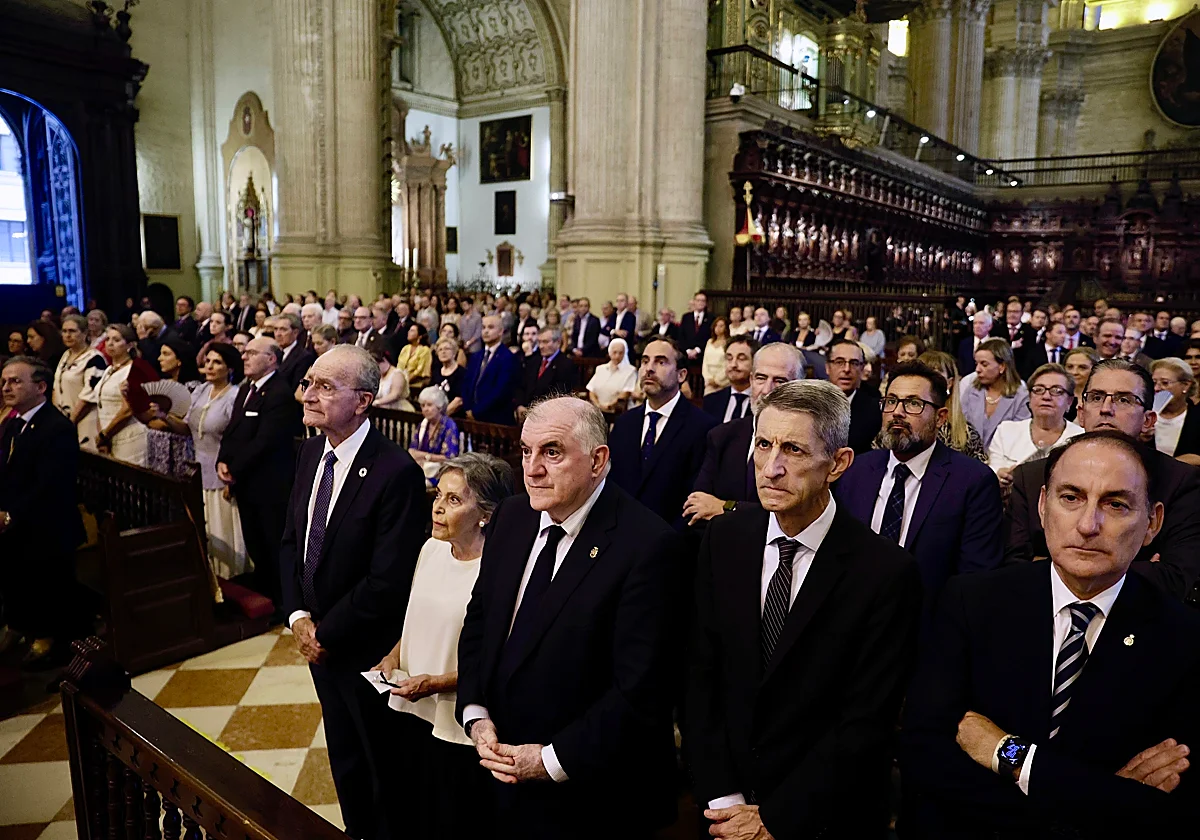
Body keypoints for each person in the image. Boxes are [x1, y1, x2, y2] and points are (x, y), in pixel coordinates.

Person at [902, 431, 1200, 837]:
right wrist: (1104, 798)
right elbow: (924, 755)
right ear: (1043, 506)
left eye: (1115, 504)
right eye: (1071, 497)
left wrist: (1013, 756)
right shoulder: (971, 601)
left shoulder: (1183, 638)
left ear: (1153, 523)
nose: (1088, 524)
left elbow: (1171, 808)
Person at [688, 380, 922, 839]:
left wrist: (774, 819)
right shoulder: (724, 539)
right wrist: (724, 801)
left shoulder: (886, 572)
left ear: (838, 464)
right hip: (724, 812)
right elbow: (700, 678)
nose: (772, 468)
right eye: (763, 444)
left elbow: (864, 721)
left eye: (793, 450)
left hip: (823, 819)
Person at [456, 397, 682, 839]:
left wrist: (548, 760)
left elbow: (640, 690)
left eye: (552, 452)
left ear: (598, 460)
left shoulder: (649, 545)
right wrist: (476, 711)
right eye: (525, 451)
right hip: (500, 769)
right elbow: (480, 620)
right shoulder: (513, 515)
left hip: (591, 793)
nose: (532, 469)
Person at [280, 345, 427, 840]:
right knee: (343, 754)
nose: (310, 395)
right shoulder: (307, 453)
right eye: (309, 383)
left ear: (363, 401)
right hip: (318, 641)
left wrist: (326, 631)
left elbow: (387, 578)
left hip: (364, 646)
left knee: (380, 763)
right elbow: (292, 542)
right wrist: (299, 617)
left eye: (326, 386)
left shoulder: (394, 470)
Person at [372, 453, 514, 839]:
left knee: (449, 819)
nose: (437, 506)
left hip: (452, 719)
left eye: (454, 500)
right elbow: (416, 618)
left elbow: (494, 660)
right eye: (438, 494)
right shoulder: (430, 549)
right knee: (409, 807)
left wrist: (435, 683)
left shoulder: (498, 571)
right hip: (408, 705)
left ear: (485, 513)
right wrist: (393, 655)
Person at [1005, 359, 1200, 602]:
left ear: (1149, 419)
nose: (1106, 408)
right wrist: (1134, 567)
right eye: (1096, 397)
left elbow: (1176, 577)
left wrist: (1062, 565)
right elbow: (1013, 568)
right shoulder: (1031, 476)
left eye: (1124, 399)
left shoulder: (1180, 481)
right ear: (1081, 413)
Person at [836, 362, 1004, 612]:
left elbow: (975, 579)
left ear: (940, 417)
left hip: (929, 625)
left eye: (913, 404)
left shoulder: (972, 481)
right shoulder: (855, 471)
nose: (897, 413)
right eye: (891, 401)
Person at [136, 344, 250, 582]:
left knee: (224, 528)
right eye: (207, 361)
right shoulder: (200, 391)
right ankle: (208, 578)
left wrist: (234, 475)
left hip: (223, 470)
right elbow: (187, 429)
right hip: (197, 468)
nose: (209, 366)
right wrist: (164, 416)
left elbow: (239, 440)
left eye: (216, 362)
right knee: (203, 527)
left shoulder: (235, 395)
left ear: (229, 368)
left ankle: (231, 580)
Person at [0, 356, 86, 666]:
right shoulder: (13, 423)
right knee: (11, 571)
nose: (6, 387)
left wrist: (11, 514)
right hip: (19, 518)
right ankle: (18, 624)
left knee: (43, 575)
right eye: (4, 381)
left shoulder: (55, 427)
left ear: (40, 387)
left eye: (15, 381)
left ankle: (48, 637)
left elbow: (50, 484)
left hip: (49, 522)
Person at [217, 337, 301, 610]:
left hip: (270, 485)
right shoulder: (246, 389)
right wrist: (223, 460)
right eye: (245, 352)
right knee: (254, 541)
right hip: (247, 482)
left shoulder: (279, 394)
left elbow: (265, 442)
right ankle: (264, 591)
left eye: (252, 353)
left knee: (272, 543)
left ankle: (281, 601)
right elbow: (232, 431)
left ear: (271, 359)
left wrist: (234, 468)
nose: (244, 357)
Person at [687, 342, 805, 525]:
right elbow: (697, 508)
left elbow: (792, 514)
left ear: (799, 387)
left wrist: (726, 507)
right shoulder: (722, 436)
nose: (767, 390)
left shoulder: (808, 445)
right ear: (751, 380)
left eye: (780, 381)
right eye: (760, 378)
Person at [608, 337, 717, 529]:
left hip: (670, 543)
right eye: (645, 361)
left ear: (681, 375)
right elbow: (612, 484)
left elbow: (695, 498)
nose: (649, 368)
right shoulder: (625, 423)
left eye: (661, 362)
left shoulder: (703, 427)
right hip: (619, 537)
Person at [873, 350, 987, 463]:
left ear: (950, 383)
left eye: (914, 403)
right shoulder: (893, 428)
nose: (898, 412)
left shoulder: (967, 434)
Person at [989, 364, 1084, 488]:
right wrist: (999, 476)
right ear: (1029, 397)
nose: (1046, 397)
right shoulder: (1006, 431)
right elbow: (993, 471)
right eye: (1038, 390)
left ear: (1069, 402)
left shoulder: (1081, 438)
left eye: (1056, 391)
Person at [77, 324, 155, 466]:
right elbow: (100, 404)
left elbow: (128, 410)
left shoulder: (135, 369)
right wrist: (102, 435)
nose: (110, 343)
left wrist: (105, 435)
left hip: (130, 437)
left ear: (130, 345)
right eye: (108, 339)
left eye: (117, 340)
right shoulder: (108, 370)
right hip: (109, 436)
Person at [960, 337, 1030, 450]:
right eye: (976, 363)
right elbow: (961, 428)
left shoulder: (1021, 396)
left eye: (984, 364)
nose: (977, 369)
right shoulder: (971, 390)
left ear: (1002, 366)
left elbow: (1019, 438)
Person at [53, 314, 107, 451]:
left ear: (85, 333)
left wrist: (71, 421)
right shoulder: (65, 355)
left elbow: (89, 395)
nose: (67, 335)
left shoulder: (95, 358)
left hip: (85, 421)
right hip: (63, 420)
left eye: (72, 331)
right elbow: (56, 387)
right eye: (64, 331)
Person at [827, 339, 883, 455]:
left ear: (862, 369)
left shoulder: (875, 410)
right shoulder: (811, 405)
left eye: (854, 363)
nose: (847, 369)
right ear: (828, 367)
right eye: (839, 362)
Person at [463, 315, 521, 425]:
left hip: (496, 419)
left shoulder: (508, 357)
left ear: (500, 331)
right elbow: (466, 384)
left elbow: (501, 390)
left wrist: (476, 412)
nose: (485, 331)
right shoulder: (476, 356)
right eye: (483, 327)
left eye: (490, 327)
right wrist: (467, 408)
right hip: (472, 418)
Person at [516, 327, 578, 421]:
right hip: (526, 414)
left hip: (548, 416)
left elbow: (559, 395)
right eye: (539, 342)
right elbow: (521, 385)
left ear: (558, 342)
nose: (541, 346)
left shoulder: (566, 365)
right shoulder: (533, 361)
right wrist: (520, 405)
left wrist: (533, 411)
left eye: (545, 342)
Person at [1151, 357, 1200, 458]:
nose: (1156, 388)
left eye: (1165, 383)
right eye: (1154, 382)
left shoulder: (1197, 416)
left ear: (1186, 385)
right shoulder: (1143, 415)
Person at [702, 335, 757, 424]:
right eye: (729, 358)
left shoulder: (763, 404)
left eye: (741, 358)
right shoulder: (711, 401)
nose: (733, 364)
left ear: (755, 363)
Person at [408, 386, 461, 473]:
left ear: (439, 407)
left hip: (440, 470)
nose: (425, 409)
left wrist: (426, 457)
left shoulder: (449, 425)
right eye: (422, 405)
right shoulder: (423, 424)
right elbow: (412, 451)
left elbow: (449, 458)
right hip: (421, 466)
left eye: (429, 405)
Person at [585, 337, 637, 413]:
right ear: (610, 352)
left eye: (620, 353)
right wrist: (598, 405)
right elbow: (591, 390)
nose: (617, 356)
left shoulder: (631, 371)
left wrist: (609, 406)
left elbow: (625, 394)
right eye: (614, 352)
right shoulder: (600, 369)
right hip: (597, 409)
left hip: (617, 412)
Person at [271, 312, 317, 391]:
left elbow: (295, 389)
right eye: (276, 329)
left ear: (295, 332)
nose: (278, 334)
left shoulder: (304, 357)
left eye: (283, 329)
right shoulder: (274, 353)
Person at [431, 336, 466, 417]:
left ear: (454, 353)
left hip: (455, 417)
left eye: (447, 349)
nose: (443, 352)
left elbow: (459, 401)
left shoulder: (461, 372)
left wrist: (440, 417)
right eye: (440, 350)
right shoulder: (436, 372)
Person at [1063, 346, 1098, 422]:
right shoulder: (1057, 397)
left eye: (1082, 367)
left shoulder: (1100, 399)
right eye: (1070, 367)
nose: (1074, 372)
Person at [956, 311, 992, 379]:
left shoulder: (994, 344)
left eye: (981, 323)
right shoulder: (964, 344)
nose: (977, 326)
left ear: (990, 326)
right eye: (975, 323)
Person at [679, 291, 712, 361]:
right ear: (694, 302)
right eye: (698, 300)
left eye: (703, 301)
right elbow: (681, 335)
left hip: (702, 356)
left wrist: (697, 350)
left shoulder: (711, 318)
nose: (700, 303)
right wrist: (688, 351)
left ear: (706, 303)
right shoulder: (686, 317)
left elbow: (710, 336)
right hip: (686, 355)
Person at [701, 316, 730, 395]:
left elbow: (727, 363)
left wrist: (717, 380)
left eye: (721, 326)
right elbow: (705, 361)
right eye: (716, 325)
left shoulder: (728, 343)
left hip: (722, 379)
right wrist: (708, 378)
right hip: (709, 379)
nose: (718, 328)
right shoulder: (709, 342)